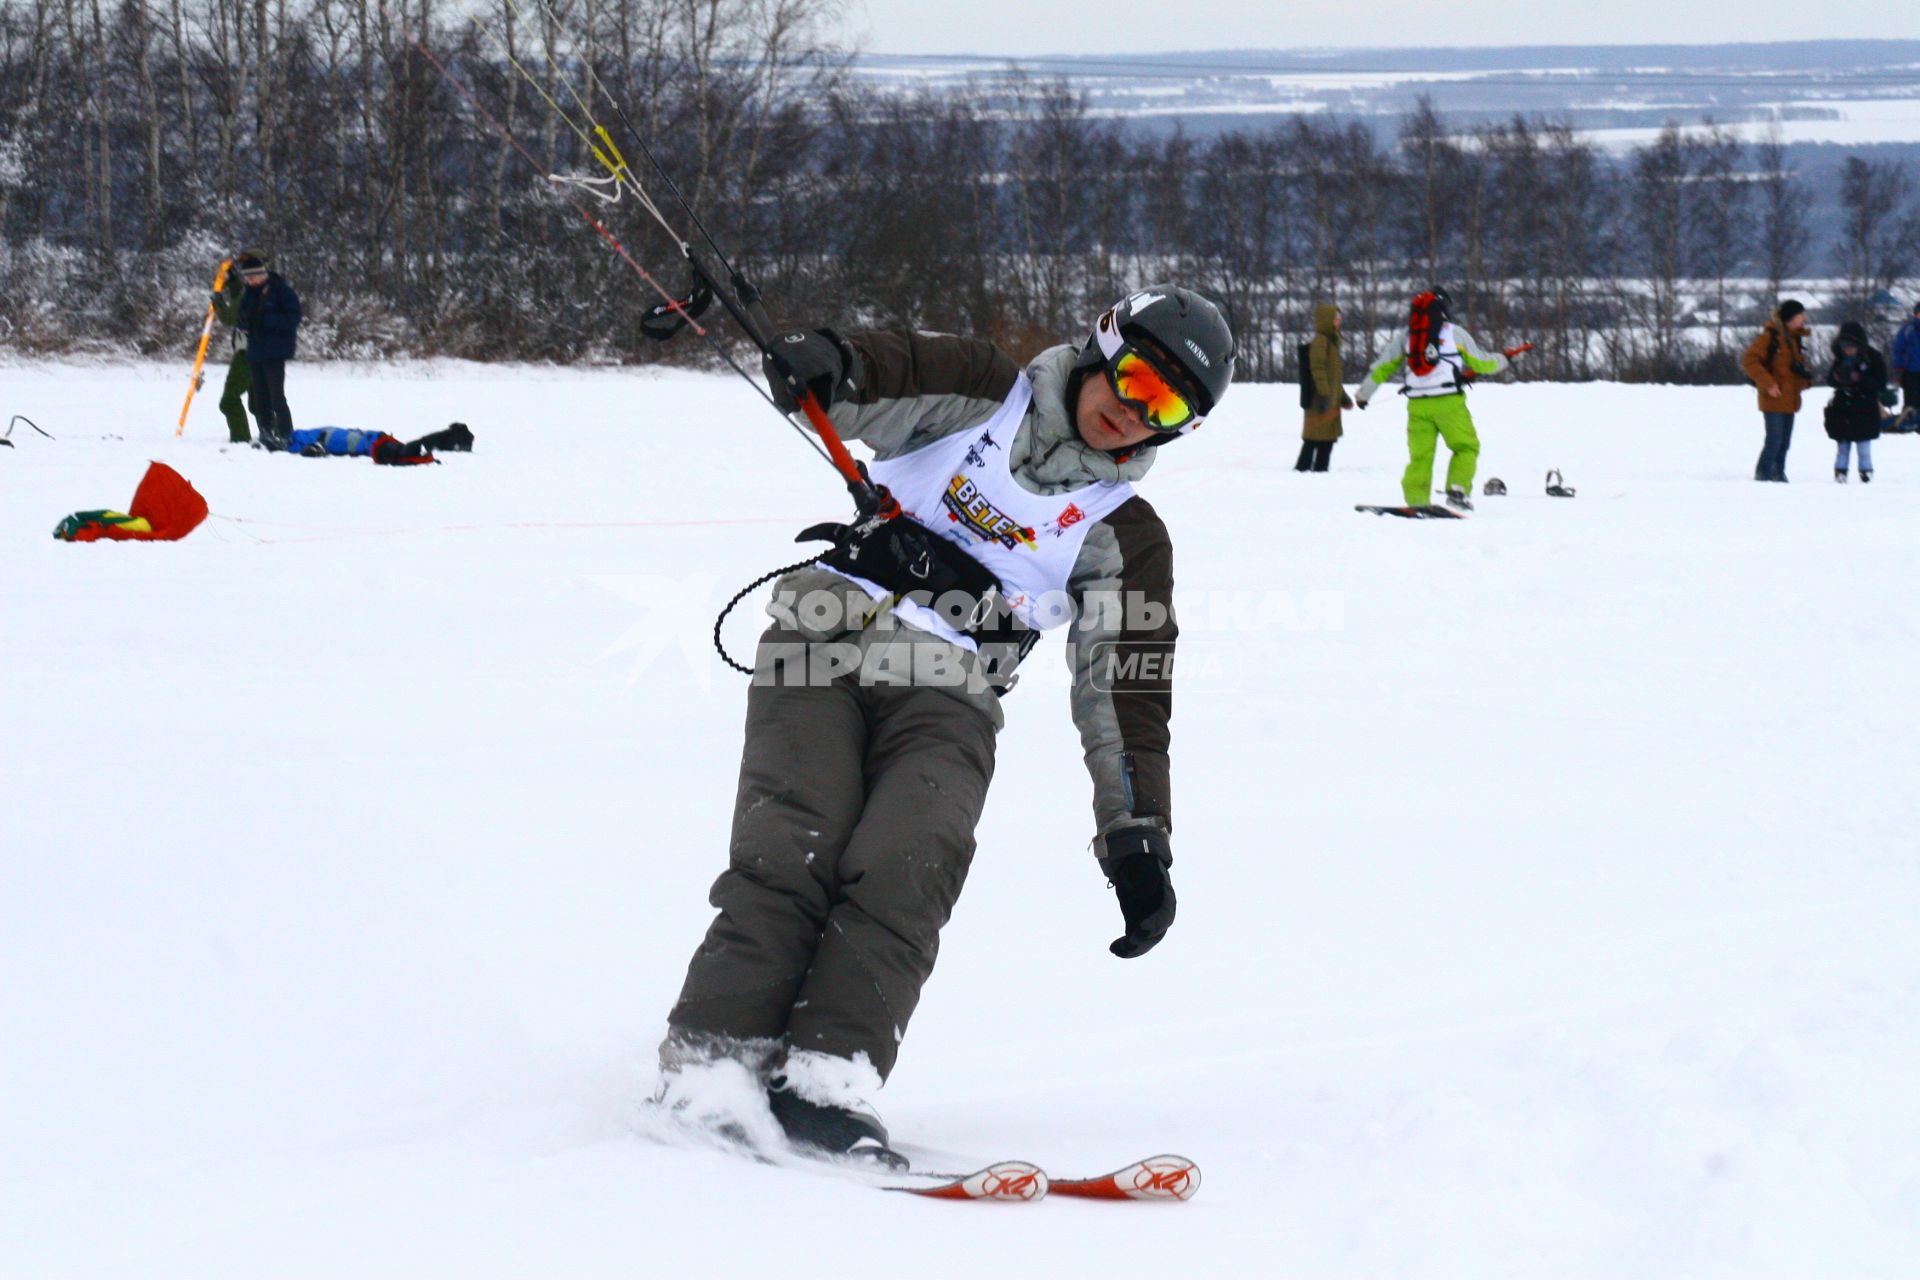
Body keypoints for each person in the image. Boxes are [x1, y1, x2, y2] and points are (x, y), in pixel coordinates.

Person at [658, 285, 1234, 1165]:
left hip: (949, 691)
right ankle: (712, 1062)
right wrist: (828, 362)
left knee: (910, 859)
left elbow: (1124, 688)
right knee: (793, 845)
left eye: (1164, 408)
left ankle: (826, 1079)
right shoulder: (979, 393)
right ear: (1103, 344)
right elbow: (875, 373)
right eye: (1135, 377)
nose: (1132, 410)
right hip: (823, 638)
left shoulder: (1126, 535)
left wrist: (1135, 833)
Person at [1353, 288, 1517, 511]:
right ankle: (1457, 492)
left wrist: (1364, 395)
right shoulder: (1455, 333)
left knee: (1421, 456)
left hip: (1417, 406)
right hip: (1449, 403)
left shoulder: (1407, 336)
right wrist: (1503, 360)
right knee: (1466, 447)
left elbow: (1382, 367)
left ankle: (1416, 502)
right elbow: (1482, 363)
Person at [233, 251, 302, 449]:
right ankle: (265, 432)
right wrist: (243, 323)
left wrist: (264, 321)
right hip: (255, 350)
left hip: (276, 350)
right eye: (246, 278)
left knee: (276, 396)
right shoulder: (248, 293)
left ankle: (287, 433)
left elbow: (294, 318)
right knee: (260, 395)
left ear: (262, 274)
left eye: (252, 277)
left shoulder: (281, 291)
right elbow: (242, 316)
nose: (249, 281)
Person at [1740, 299, 1814, 482]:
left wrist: (1805, 379)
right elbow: (1749, 360)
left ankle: (1778, 473)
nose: (1804, 318)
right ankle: (1763, 473)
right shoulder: (1769, 337)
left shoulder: (1795, 338)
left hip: (1790, 398)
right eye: (1800, 315)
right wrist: (1768, 383)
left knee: (1784, 442)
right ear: (1790, 318)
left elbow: (1792, 368)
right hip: (1773, 397)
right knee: (1774, 440)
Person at [1825, 322, 1888, 483]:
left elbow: (1880, 383)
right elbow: (1830, 379)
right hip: (1843, 408)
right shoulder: (1839, 360)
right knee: (1843, 447)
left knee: (1864, 447)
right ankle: (1840, 472)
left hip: (1864, 408)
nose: (1848, 349)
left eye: (1851, 345)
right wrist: (1838, 378)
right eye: (1844, 345)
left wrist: (1859, 378)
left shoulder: (1873, 358)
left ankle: (1866, 472)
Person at [1297, 302, 1353, 472]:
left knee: (1327, 438)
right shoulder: (1321, 341)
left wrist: (1343, 398)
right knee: (1313, 438)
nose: (1338, 322)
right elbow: (1317, 368)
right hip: (1319, 399)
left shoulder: (1333, 342)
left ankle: (1321, 469)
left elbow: (1334, 377)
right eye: (1336, 318)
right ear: (1326, 320)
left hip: (1331, 400)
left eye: (1339, 318)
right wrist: (1323, 393)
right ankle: (1303, 469)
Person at [263, 422, 472, 465]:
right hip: (369, 440)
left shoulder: (301, 440)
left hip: (370, 442)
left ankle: (452, 438)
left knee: (403, 450)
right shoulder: (302, 439)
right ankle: (452, 438)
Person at [210, 260, 255, 445]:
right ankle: (277, 435)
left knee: (229, 401)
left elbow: (230, 317)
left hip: (247, 355)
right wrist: (233, 281)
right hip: (263, 354)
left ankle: (240, 439)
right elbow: (240, 299)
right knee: (259, 404)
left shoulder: (251, 295)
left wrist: (218, 301)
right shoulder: (261, 291)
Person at [1892, 300, 1920, 424]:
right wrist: (1899, 368)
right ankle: (1908, 421)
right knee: (1910, 399)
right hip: (1911, 371)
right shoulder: (1908, 330)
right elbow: (1898, 349)